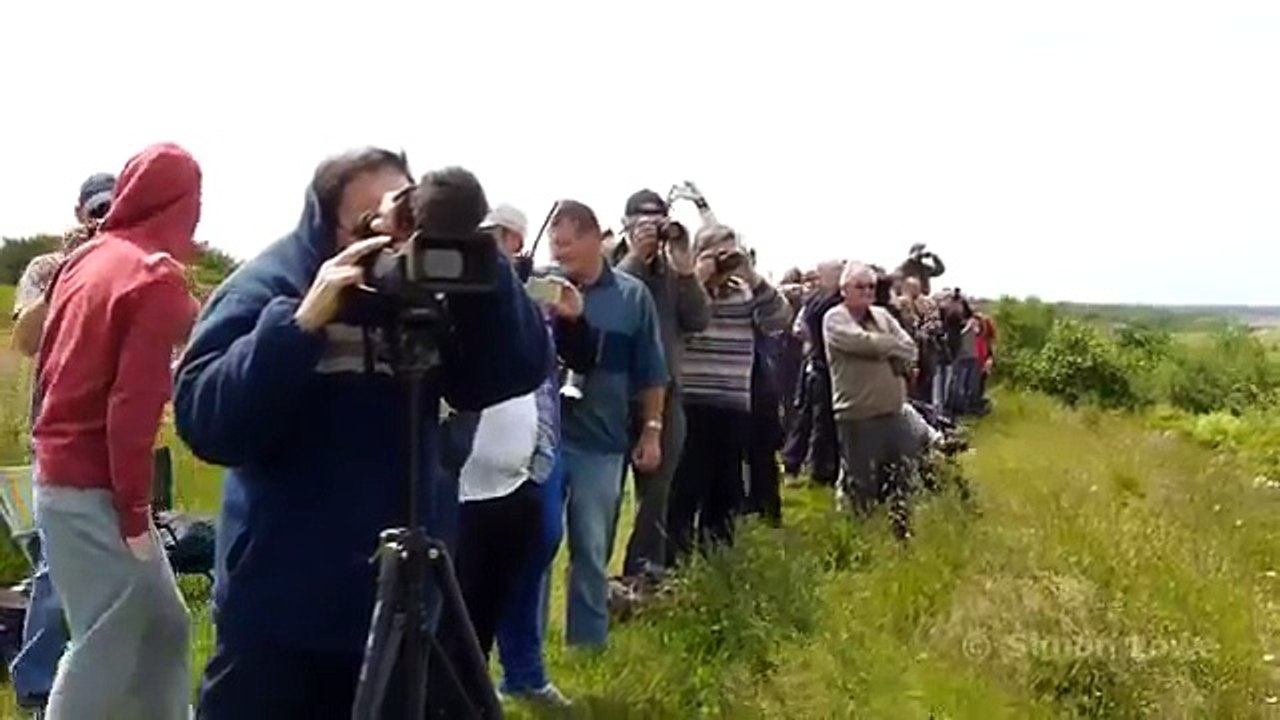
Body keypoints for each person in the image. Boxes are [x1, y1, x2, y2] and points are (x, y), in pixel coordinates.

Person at [177, 151, 548, 718]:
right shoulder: (268, 283)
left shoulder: (427, 284)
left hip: (401, 605)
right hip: (281, 614)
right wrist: (299, 325)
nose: (393, 239)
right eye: (372, 223)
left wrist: (482, 271)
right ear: (327, 225)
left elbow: (512, 370)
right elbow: (209, 424)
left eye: (404, 220)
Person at [33, 143, 202, 719]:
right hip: (94, 487)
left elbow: (48, 362)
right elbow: (131, 407)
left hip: (61, 476)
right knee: (106, 639)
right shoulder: (153, 279)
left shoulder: (90, 256)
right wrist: (133, 514)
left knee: (163, 624)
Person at [7, 171, 115, 716]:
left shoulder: (127, 267)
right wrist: (69, 275)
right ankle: (35, 682)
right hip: (57, 435)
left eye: (113, 209)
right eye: (96, 211)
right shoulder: (47, 269)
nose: (103, 221)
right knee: (56, 565)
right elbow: (26, 339)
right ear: (78, 214)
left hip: (117, 436)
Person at [547, 199, 666, 649]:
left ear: (597, 239)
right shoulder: (543, 289)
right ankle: (528, 656)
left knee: (592, 550)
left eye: (568, 245)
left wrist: (652, 430)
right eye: (555, 244)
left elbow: (653, 372)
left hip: (603, 443)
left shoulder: (633, 296)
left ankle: (587, 645)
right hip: (545, 441)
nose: (559, 255)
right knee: (537, 550)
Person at [487, 203, 587, 707]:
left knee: (540, 543)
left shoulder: (539, 290)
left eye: (507, 236)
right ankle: (470, 674)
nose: (499, 244)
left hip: (541, 445)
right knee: (475, 566)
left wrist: (572, 322)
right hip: (477, 456)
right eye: (491, 234)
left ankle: (523, 673)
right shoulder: (468, 292)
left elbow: (585, 356)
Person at [667, 224, 790, 563]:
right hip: (692, 400)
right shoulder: (688, 289)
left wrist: (750, 274)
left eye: (730, 252)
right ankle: (674, 562)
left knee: (726, 489)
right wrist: (701, 276)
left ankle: (717, 562)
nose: (725, 260)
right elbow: (683, 318)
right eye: (718, 252)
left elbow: (779, 318)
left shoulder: (745, 291)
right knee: (685, 487)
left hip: (734, 402)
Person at [612, 188, 710, 580]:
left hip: (666, 395)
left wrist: (685, 268)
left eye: (658, 221)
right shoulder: (609, 261)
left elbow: (698, 319)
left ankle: (642, 573)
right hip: (613, 396)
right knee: (605, 495)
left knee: (657, 495)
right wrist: (638, 256)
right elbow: (613, 300)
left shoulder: (672, 273)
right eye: (643, 221)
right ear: (626, 224)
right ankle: (590, 580)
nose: (652, 229)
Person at [823, 262, 919, 536]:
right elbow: (861, 343)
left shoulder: (882, 315)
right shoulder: (834, 318)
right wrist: (889, 346)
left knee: (903, 475)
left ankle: (901, 534)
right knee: (860, 481)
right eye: (860, 286)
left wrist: (885, 345)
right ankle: (858, 538)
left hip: (893, 410)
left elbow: (910, 347)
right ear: (844, 290)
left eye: (871, 287)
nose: (867, 292)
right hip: (857, 413)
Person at [781, 260, 843, 486]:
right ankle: (819, 468)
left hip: (815, 363)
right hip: (823, 366)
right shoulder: (826, 303)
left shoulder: (815, 301)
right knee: (819, 420)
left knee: (807, 418)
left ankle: (795, 462)